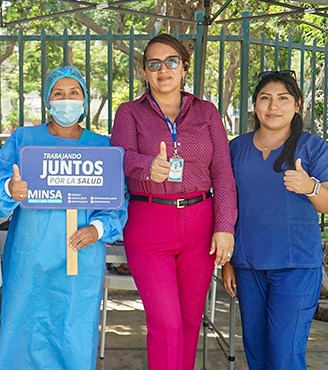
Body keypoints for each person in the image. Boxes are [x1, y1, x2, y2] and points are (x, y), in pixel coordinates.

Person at [109, 33, 237, 370]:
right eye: (154, 63)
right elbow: (117, 159)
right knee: (166, 323)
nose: (163, 69)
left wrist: (224, 227)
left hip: (200, 222)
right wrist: (145, 166)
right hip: (149, 222)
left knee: (190, 321)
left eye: (171, 62)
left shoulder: (206, 112)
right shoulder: (129, 112)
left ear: (184, 68)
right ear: (145, 72)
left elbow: (223, 172)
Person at [0, 65, 127, 369]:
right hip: (29, 260)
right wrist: (11, 189)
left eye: (74, 93)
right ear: (48, 101)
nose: (67, 100)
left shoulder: (101, 147)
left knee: (73, 330)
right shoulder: (24, 139)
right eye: (59, 94)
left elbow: (117, 203)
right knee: (23, 328)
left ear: (85, 100)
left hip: (81, 258)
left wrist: (97, 227)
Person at [222, 70, 328, 370]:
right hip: (248, 266)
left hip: (295, 267)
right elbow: (225, 205)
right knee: (257, 352)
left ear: (298, 105)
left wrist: (309, 186)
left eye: (283, 99)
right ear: (254, 105)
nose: (273, 106)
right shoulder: (236, 148)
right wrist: (227, 262)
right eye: (265, 98)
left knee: (285, 354)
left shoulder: (312, 147)